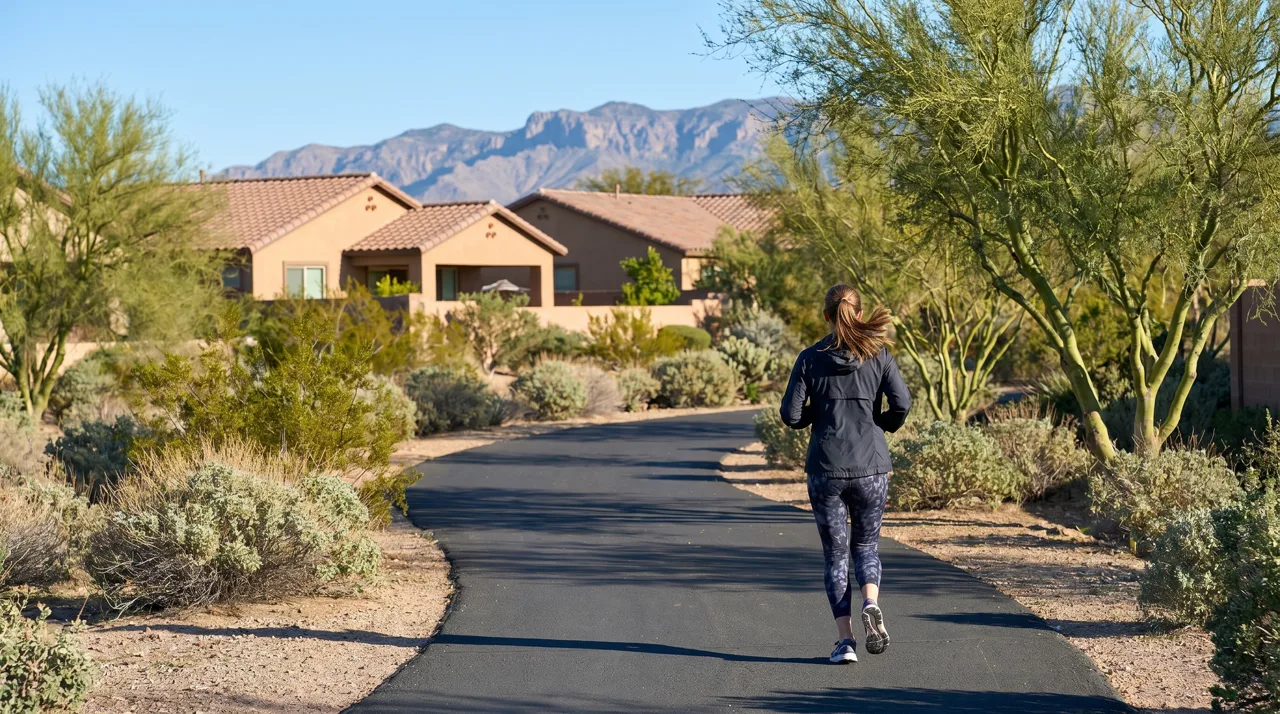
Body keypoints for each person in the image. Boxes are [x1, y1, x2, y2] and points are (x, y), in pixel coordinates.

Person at [780, 284, 911, 664]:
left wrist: (815, 417)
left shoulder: (809, 358)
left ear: (826, 315)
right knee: (866, 547)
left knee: (836, 557)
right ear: (858, 312)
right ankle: (871, 600)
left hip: (826, 471)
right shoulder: (880, 355)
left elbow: (790, 415)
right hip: (872, 467)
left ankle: (846, 642)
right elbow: (901, 403)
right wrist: (880, 424)